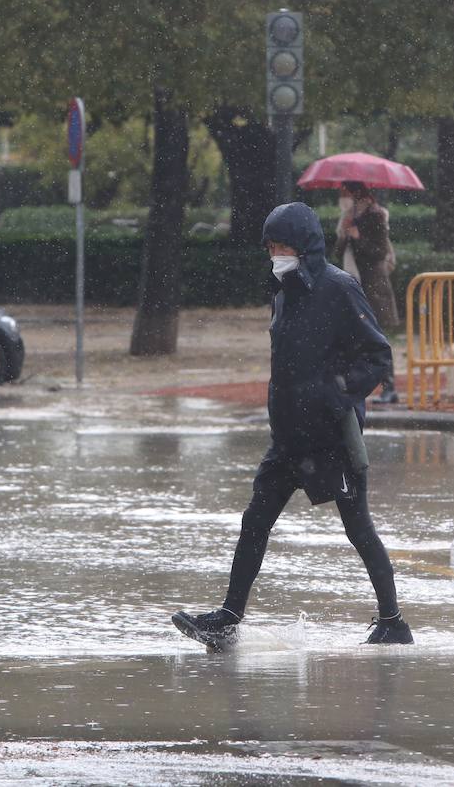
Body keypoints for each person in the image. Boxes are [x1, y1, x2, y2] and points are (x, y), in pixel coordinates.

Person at [173, 201, 414, 646]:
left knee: (358, 528)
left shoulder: (340, 289)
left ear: (304, 246)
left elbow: (378, 357)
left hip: (331, 438)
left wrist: (336, 391)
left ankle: (393, 622)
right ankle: (228, 618)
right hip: (287, 439)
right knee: (255, 520)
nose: (276, 254)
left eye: (283, 245)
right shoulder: (282, 294)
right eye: (271, 246)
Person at [334, 182, 400, 403]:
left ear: (356, 193)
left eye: (345, 193)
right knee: (353, 339)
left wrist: (358, 237)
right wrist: (345, 234)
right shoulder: (348, 217)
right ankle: (357, 386)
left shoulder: (376, 215)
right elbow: (337, 253)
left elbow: (379, 251)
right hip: (353, 285)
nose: (342, 199)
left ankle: (389, 388)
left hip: (373, 286)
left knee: (378, 339)